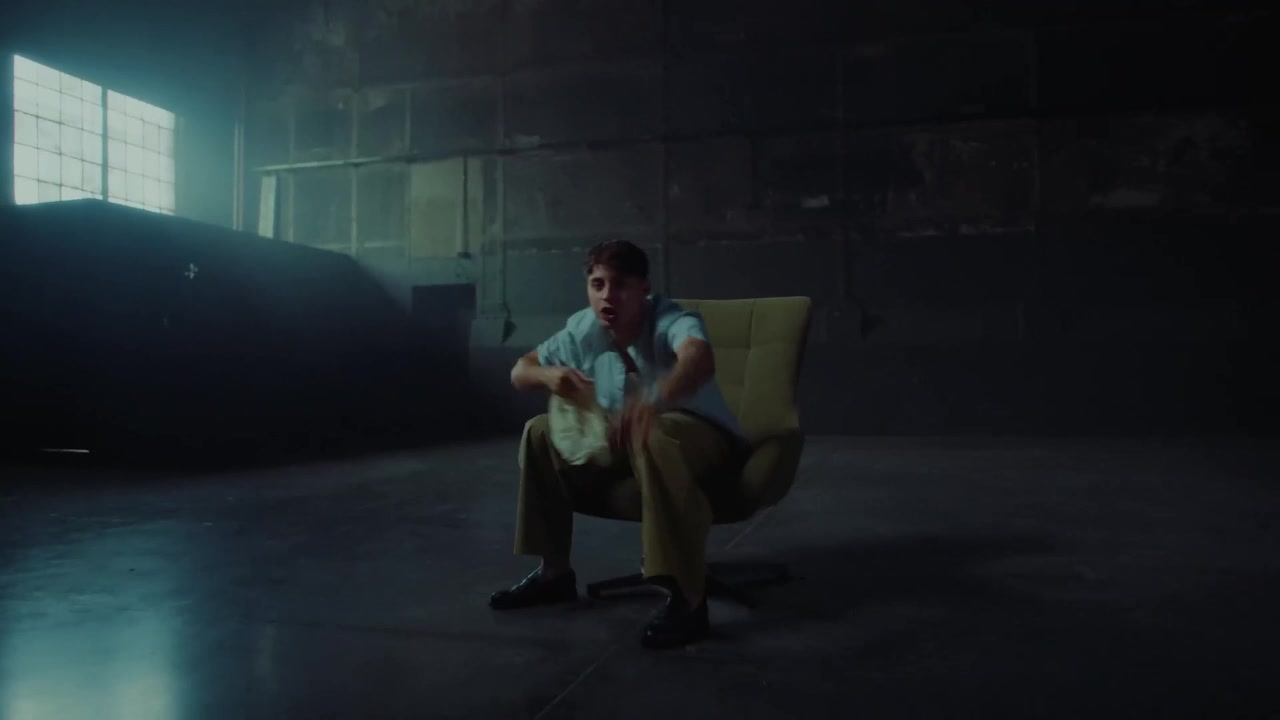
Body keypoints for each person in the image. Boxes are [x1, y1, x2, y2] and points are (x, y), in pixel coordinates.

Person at [489, 239, 745, 649]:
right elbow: (521, 371)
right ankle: (554, 574)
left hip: (699, 435)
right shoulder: (583, 329)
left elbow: (698, 358)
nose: (608, 296)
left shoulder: (670, 319)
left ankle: (688, 597)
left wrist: (655, 399)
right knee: (539, 431)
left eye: (621, 285)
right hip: (625, 440)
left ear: (644, 288)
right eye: (598, 284)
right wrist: (549, 376)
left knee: (653, 434)